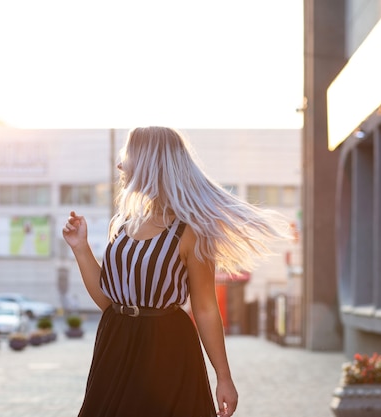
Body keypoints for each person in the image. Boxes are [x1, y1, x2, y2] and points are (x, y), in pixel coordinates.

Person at [62, 126, 289, 417]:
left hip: (165, 348)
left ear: (150, 162)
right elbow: (110, 301)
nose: (120, 164)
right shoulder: (121, 224)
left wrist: (224, 377)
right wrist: (80, 248)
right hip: (114, 344)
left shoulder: (191, 232)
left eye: (127, 156)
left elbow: (206, 308)